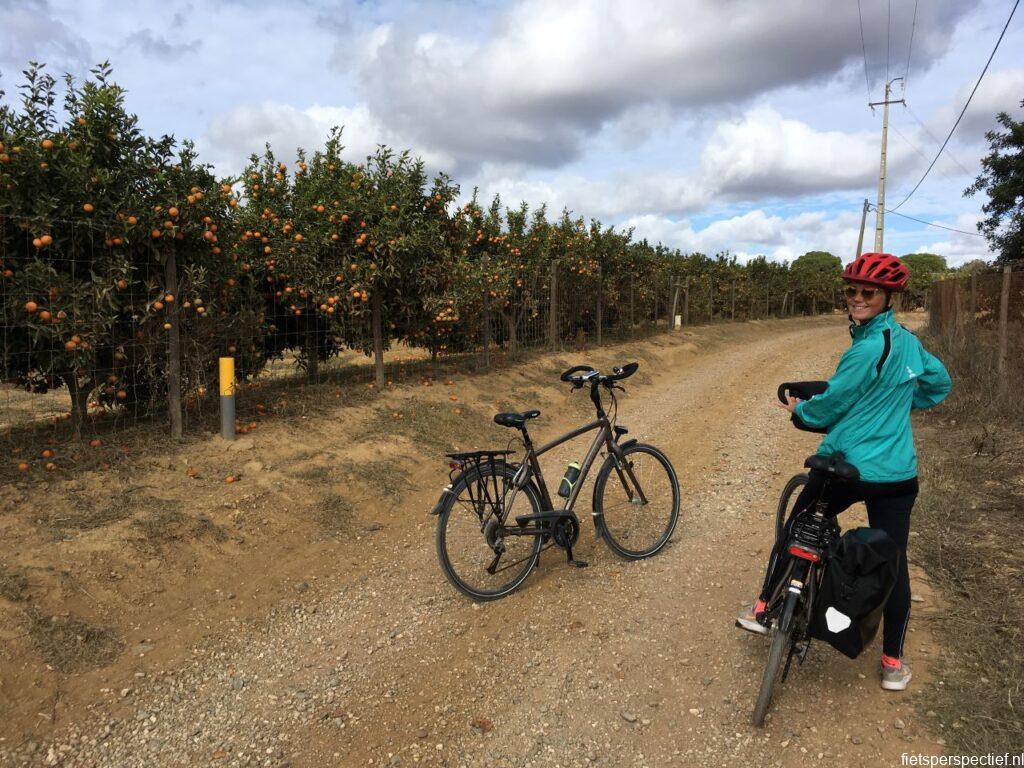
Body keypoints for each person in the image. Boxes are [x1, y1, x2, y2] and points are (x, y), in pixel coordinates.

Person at [736, 252, 952, 692]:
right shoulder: (907, 342)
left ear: (889, 296)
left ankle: (763, 610)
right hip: (897, 475)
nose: (857, 298)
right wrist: (895, 406)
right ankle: (892, 662)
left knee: (797, 527)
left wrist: (801, 414)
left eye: (867, 292)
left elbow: (832, 405)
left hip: (847, 466)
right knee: (893, 561)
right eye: (851, 290)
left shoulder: (869, 346)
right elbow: (938, 383)